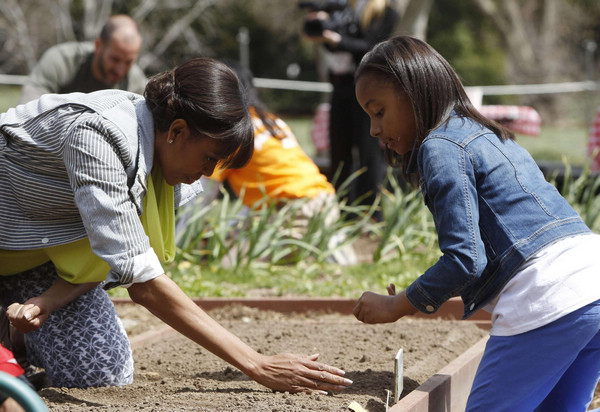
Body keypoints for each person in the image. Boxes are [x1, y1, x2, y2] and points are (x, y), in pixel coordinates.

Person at [0, 57, 352, 395]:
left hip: (37, 256)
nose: (210, 173)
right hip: (8, 241)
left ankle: (14, 333)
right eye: (209, 159)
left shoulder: (163, 162)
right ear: (178, 131)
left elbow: (112, 256)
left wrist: (48, 301)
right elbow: (144, 283)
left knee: (102, 371)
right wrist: (257, 364)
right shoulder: (100, 136)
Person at [352, 35, 600, 410]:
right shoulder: (485, 134)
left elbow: (465, 260)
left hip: (547, 296)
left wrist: (399, 305)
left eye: (379, 111)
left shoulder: (440, 147)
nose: (373, 129)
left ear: (414, 93)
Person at [183, 60, 357, 265]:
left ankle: (314, 250)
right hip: (324, 199)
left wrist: (180, 240)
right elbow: (263, 192)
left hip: (294, 210)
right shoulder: (272, 121)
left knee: (228, 262)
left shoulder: (231, 131)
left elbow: (203, 193)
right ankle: (324, 244)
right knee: (237, 244)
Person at [303, 0, 398, 221]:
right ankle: (342, 211)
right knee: (339, 152)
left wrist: (339, 40)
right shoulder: (343, 10)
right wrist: (323, 30)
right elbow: (332, 45)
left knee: (369, 152)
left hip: (368, 89)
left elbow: (372, 47)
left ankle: (372, 213)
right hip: (340, 86)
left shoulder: (386, 12)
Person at [18, 14, 146, 104]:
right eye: (115, 59)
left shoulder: (135, 81)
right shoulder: (61, 60)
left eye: (129, 62)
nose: (120, 70)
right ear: (98, 46)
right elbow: (28, 106)